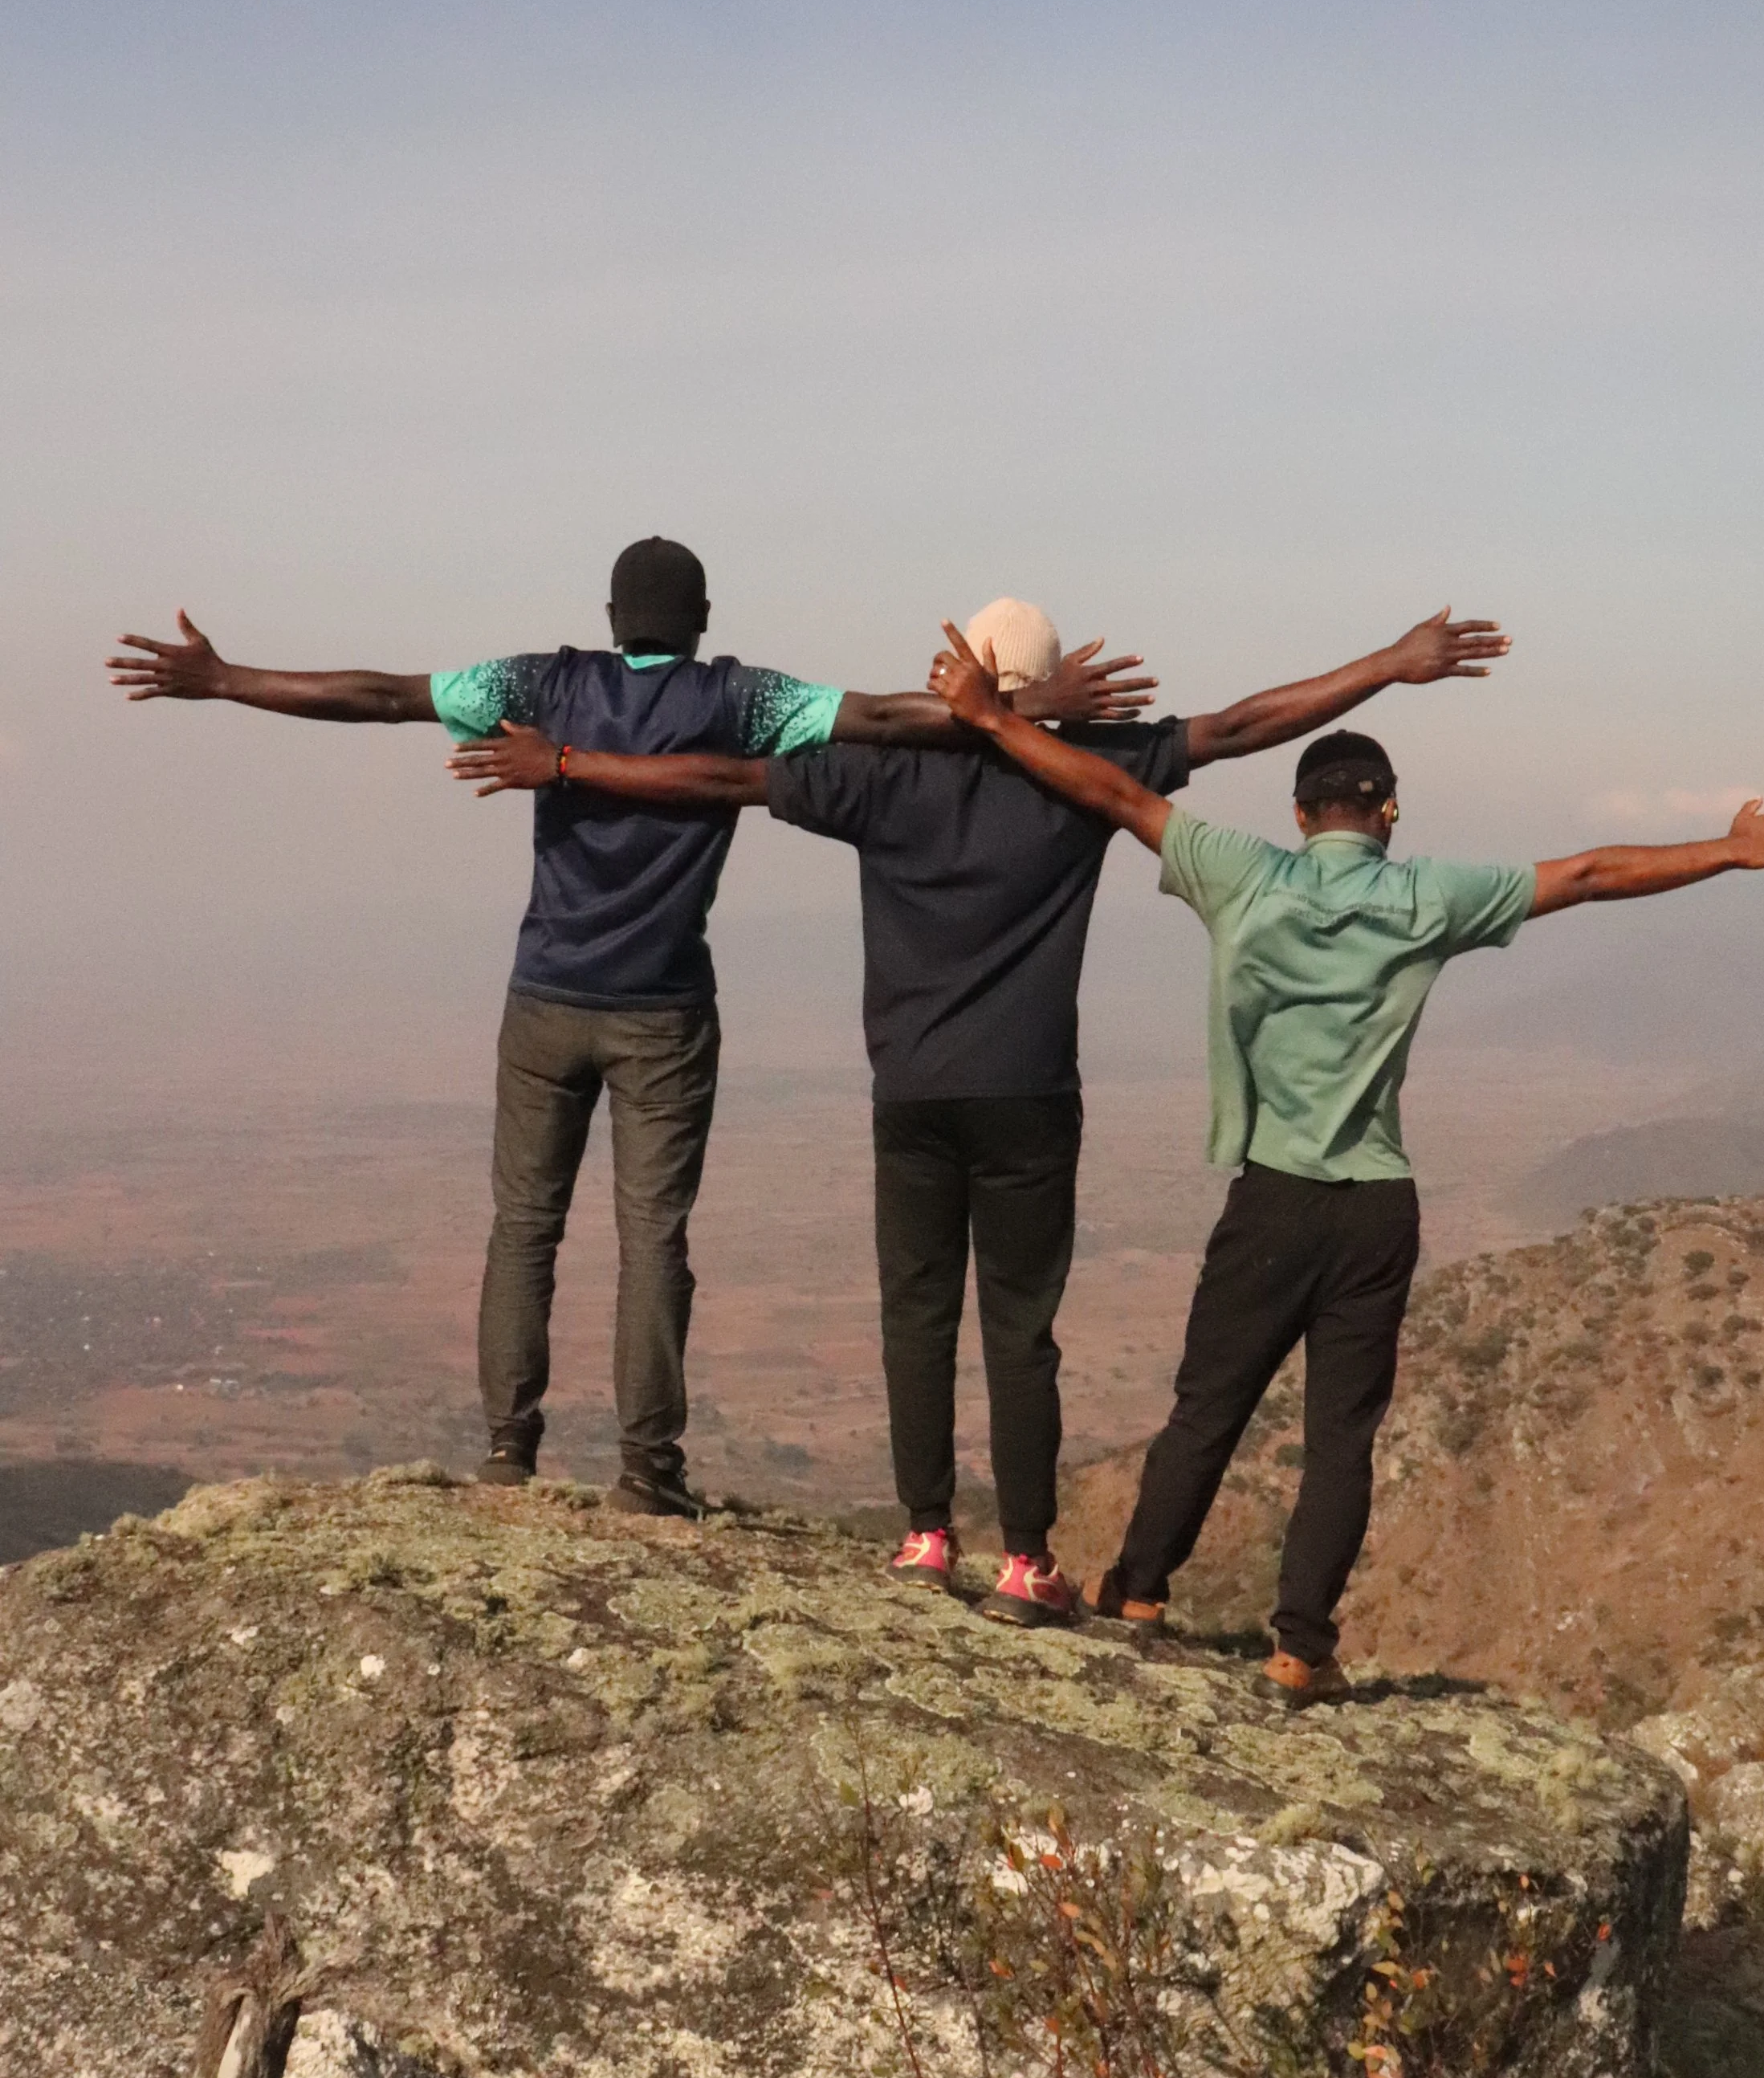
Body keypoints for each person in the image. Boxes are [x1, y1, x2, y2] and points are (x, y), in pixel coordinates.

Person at [448, 596, 1510, 1616]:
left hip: (908, 1088)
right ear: (1048, 692)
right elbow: (1238, 726)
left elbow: (721, 777)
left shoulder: (880, 770)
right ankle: (1027, 1560)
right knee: (1019, 1331)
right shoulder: (1086, 765)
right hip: (1030, 1094)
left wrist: (573, 764)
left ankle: (924, 1535)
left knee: (915, 1318)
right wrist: (1388, 663)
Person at [106, 540, 1144, 1516]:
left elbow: (382, 696)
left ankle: (510, 1450)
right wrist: (1024, 707)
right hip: (662, 1011)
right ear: (700, 620)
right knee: (653, 1236)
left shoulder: (537, 687)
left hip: (544, 995)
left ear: (611, 619)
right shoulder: (740, 699)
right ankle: (649, 1470)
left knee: (524, 1223)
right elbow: (886, 717)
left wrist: (227, 678)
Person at [931, 617, 1764, 1697]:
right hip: (1375, 1208)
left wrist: (986, 718)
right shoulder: (1425, 897)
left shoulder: (1241, 872)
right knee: (1339, 1439)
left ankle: (1137, 1592)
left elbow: (1109, 794)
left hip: (1271, 1198)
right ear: (1388, 815)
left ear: (1300, 814)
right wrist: (1732, 848)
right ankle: (1301, 1646)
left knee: (1207, 1408)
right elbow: (1587, 871)